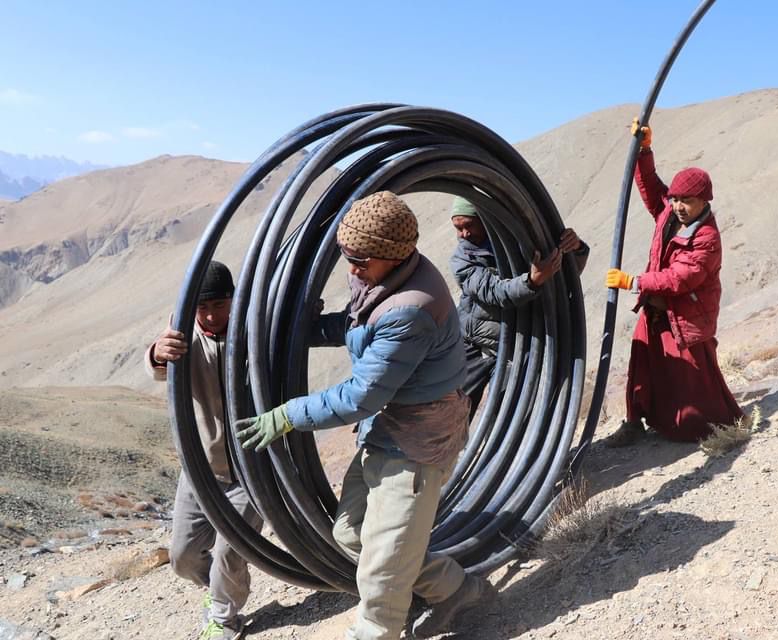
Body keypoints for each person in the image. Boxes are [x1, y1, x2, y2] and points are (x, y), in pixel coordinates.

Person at [235, 191, 492, 640]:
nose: (352, 269)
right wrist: (309, 328)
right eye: (347, 257)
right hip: (387, 430)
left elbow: (362, 396)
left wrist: (290, 414)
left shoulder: (412, 307)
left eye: (360, 260)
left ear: (393, 254)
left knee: (381, 575)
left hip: (418, 443)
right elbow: (361, 324)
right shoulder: (383, 272)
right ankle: (455, 588)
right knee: (352, 536)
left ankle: (380, 625)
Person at [604, 123, 743, 446]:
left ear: (704, 201)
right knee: (644, 367)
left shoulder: (707, 238)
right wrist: (644, 152)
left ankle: (708, 429)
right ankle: (635, 422)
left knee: (692, 383)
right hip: (657, 309)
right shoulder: (670, 213)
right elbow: (652, 189)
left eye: (687, 201)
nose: (679, 206)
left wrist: (634, 281)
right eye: (676, 199)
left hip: (686, 314)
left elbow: (681, 277)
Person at [145, 261, 262, 640]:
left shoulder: (254, 327)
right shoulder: (182, 334)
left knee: (231, 551)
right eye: (203, 307)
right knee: (182, 557)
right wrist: (157, 353)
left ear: (234, 299)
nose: (211, 315)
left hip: (252, 471)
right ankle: (220, 590)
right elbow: (159, 367)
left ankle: (225, 617)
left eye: (220, 305)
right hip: (200, 469)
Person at [448, 196, 589, 418]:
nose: (464, 234)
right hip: (476, 343)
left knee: (511, 413)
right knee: (450, 411)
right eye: (458, 228)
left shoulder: (524, 242)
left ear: (485, 219)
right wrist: (532, 281)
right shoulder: (462, 259)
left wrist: (577, 248)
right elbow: (493, 292)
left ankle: (523, 451)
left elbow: (565, 278)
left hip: (521, 344)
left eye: (468, 225)